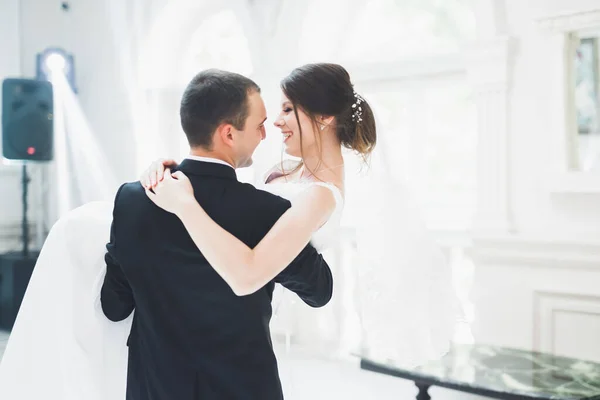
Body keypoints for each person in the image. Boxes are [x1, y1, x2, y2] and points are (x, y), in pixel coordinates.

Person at [0, 69, 334, 400]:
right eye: (259, 125)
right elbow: (319, 290)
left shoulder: (131, 200)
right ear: (229, 134)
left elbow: (113, 306)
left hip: (154, 388)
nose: (265, 134)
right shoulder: (265, 211)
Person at [142, 63, 456, 368]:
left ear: (325, 117)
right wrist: (167, 170)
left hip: (247, 322)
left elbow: (250, 272)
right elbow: (224, 204)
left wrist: (184, 204)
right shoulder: (279, 174)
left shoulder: (320, 196)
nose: (276, 122)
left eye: (288, 109)